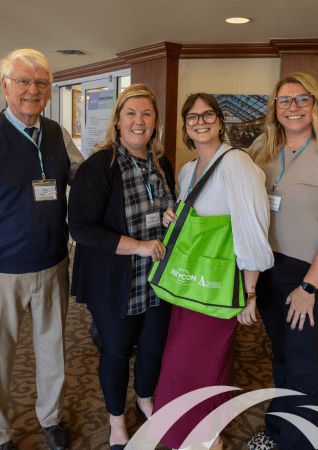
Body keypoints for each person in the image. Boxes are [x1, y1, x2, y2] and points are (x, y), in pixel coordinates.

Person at [151, 93, 274, 450]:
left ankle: (197, 438)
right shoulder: (188, 169)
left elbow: (252, 229)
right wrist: (170, 218)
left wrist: (250, 294)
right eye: (192, 116)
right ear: (186, 126)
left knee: (190, 364)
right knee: (201, 361)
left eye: (208, 115)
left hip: (219, 287)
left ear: (220, 122)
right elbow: (192, 222)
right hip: (189, 284)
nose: (200, 121)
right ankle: (210, 432)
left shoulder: (237, 163)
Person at [68, 83, 175, 450]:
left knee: (152, 349)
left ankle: (145, 400)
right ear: (117, 121)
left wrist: (169, 218)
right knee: (115, 350)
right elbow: (81, 227)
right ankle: (116, 421)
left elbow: (163, 210)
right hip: (115, 281)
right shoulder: (100, 165)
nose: (139, 121)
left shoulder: (162, 163)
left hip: (157, 277)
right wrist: (139, 246)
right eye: (131, 113)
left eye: (147, 113)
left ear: (156, 121)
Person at [0, 49, 84, 450]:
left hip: (53, 263)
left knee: (53, 348)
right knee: (1, 359)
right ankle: (1, 432)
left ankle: (50, 418)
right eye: (23, 81)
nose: (32, 90)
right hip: (4, 270)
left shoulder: (57, 134)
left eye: (41, 82)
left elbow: (84, 180)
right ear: (5, 86)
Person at [247, 73, 318, 450]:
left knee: (305, 364)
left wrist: (309, 286)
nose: (293, 107)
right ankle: (277, 428)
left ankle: (298, 443)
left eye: (302, 99)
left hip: (306, 273)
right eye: (284, 100)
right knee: (280, 355)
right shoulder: (263, 147)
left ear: (315, 104)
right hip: (268, 267)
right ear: (274, 108)